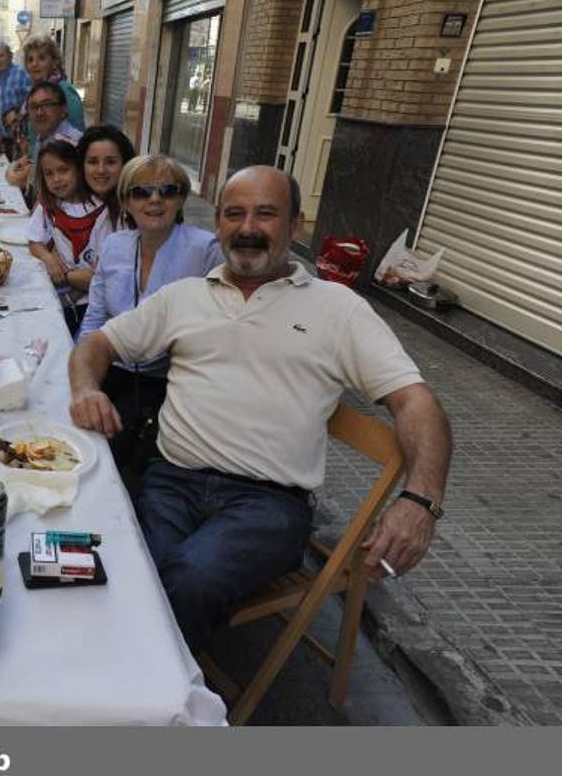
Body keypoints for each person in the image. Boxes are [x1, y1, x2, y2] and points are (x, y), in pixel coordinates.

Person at [68, 165, 452, 654]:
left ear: (296, 225)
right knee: (115, 561)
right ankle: (143, 682)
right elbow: (96, 345)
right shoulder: (184, 297)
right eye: (234, 214)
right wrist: (87, 389)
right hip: (172, 481)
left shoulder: (339, 309)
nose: (247, 228)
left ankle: (134, 700)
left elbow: (417, 401)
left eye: (265, 214)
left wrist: (420, 502)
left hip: (267, 506)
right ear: (219, 224)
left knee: (185, 580)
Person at [78, 155, 222, 471]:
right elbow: (94, 318)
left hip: (167, 380)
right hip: (113, 367)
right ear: (126, 202)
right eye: (141, 192)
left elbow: (218, 330)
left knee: (108, 450)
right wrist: (82, 374)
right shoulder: (115, 245)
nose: (155, 199)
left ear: (181, 198)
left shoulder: (205, 249)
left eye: (167, 191)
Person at [27, 140, 111, 335]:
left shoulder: (102, 212)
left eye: (63, 170)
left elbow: (99, 277)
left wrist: (63, 278)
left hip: (91, 304)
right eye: (49, 174)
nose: (56, 179)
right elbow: (34, 241)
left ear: (79, 170)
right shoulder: (49, 205)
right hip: (59, 298)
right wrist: (48, 259)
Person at [6, 80, 83, 191]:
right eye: (33, 107)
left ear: (63, 109)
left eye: (46, 104)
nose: (39, 112)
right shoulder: (42, 137)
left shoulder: (72, 143)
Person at [21, 33, 85, 132]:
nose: (34, 64)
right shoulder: (33, 92)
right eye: (30, 60)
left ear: (54, 62)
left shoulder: (64, 90)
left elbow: (79, 132)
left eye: (41, 58)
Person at [78, 126, 135, 230]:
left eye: (110, 162)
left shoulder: (137, 209)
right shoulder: (66, 203)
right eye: (93, 162)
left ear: (125, 164)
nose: (101, 170)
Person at [0, 43, 32, 142]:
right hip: (7, 141)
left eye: (1, 56)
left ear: (10, 56)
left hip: (23, 140)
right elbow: (0, 112)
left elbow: (32, 105)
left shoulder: (21, 74)